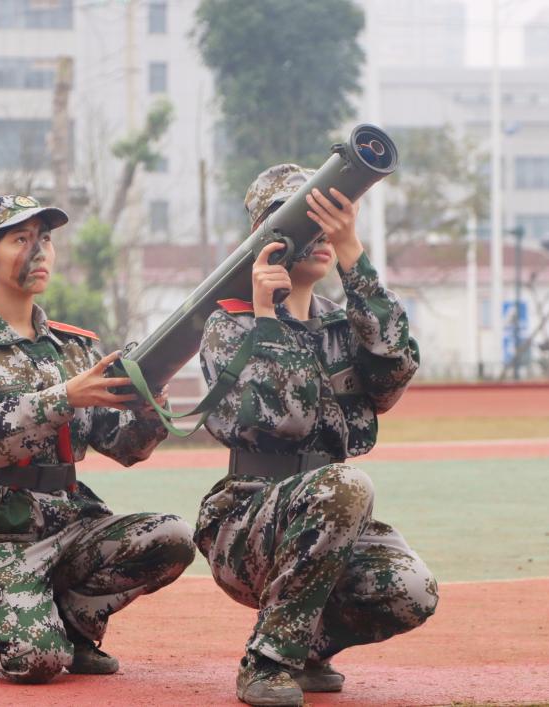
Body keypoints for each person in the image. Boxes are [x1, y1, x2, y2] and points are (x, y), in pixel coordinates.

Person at [195, 165, 438, 706]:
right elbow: (285, 417)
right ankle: (266, 663)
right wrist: (267, 316)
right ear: (269, 236)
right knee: (347, 485)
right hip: (246, 522)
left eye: (332, 221)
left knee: (410, 588)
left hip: (331, 518)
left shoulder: (342, 326)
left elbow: (394, 372)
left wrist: (355, 257)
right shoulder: (230, 324)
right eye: (309, 221)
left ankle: (303, 648)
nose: (323, 234)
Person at [0, 194, 195, 684]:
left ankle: (72, 627)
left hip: (71, 521)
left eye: (45, 239)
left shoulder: (75, 347)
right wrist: (63, 398)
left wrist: (151, 396)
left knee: (171, 538)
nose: (39, 252)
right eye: (20, 239)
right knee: (37, 662)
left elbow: (125, 447)